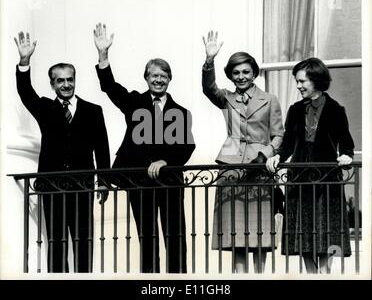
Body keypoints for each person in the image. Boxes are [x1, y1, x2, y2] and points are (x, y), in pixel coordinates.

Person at [93, 23, 195, 273]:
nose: (159, 80)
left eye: (163, 76)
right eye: (154, 76)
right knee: (147, 239)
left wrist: (165, 162)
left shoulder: (180, 112)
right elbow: (110, 87)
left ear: (169, 79)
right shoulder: (135, 102)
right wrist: (103, 55)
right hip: (139, 182)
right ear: (146, 78)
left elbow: (186, 147)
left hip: (170, 182)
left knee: (175, 239)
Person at [14, 31, 111, 273]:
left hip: (82, 186)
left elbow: (102, 147)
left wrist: (104, 181)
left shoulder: (93, 110)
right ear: (52, 84)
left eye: (70, 79)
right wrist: (24, 61)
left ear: (75, 80)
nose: (66, 84)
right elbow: (25, 92)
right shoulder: (45, 108)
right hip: (52, 186)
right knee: (56, 243)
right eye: (60, 81)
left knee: (83, 243)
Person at [202, 30, 284, 273]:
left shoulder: (269, 99)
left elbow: (279, 134)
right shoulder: (226, 98)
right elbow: (208, 88)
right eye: (236, 72)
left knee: (260, 234)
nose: (241, 77)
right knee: (236, 235)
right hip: (231, 168)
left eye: (246, 72)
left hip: (259, 169)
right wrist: (209, 60)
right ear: (230, 75)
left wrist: (267, 153)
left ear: (254, 73)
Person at [266, 57, 354, 273]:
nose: (298, 86)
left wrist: (346, 156)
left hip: (327, 181)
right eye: (296, 81)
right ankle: (312, 275)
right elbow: (287, 143)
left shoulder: (335, 109)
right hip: (299, 179)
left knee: (326, 231)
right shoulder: (295, 109)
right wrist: (277, 155)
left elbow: (346, 142)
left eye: (302, 81)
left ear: (316, 79)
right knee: (303, 232)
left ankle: (324, 273)